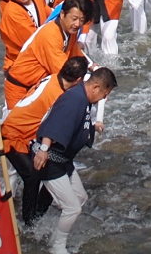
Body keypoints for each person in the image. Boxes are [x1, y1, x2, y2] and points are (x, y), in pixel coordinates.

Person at [31, 67, 116, 254]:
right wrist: (44, 149)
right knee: (73, 208)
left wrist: (93, 127)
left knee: (80, 198)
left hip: (63, 161)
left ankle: (50, 232)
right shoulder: (74, 99)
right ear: (95, 87)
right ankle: (57, 247)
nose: (103, 99)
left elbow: (78, 125)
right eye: (104, 94)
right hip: (49, 159)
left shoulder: (83, 99)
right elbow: (55, 123)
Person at [1, 56, 87, 226]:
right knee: (32, 176)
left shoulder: (54, 77)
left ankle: (37, 215)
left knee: (48, 171)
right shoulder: (60, 97)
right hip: (13, 134)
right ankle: (29, 222)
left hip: (24, 133)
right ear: (79, 80)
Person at [5, 0, 85, 107]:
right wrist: (88, 85)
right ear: (62, 14)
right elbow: (64, 73)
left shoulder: (70, 30)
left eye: (81, 20)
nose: (77, 24)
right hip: (20, 88)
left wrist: (91, 67)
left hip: (37, 87)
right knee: (16, 123)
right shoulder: (50, 35)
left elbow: (75, 54)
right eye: (74, 19)